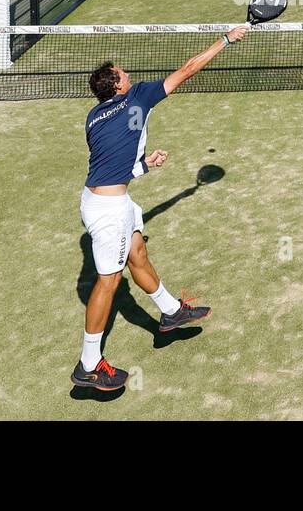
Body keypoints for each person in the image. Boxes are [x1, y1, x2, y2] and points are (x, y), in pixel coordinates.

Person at [73, 25, 250, 393]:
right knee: (109, 281)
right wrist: (226, 40)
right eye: (123, 73)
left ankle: (171, 311)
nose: (128, 73)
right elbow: (187, 70)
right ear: (118, 85)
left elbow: (111, 162)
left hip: (102, 199)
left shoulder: (93, 118)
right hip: (109, 210)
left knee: (137, 250)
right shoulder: (138, 97)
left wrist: (144, 165)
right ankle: (89, 364)